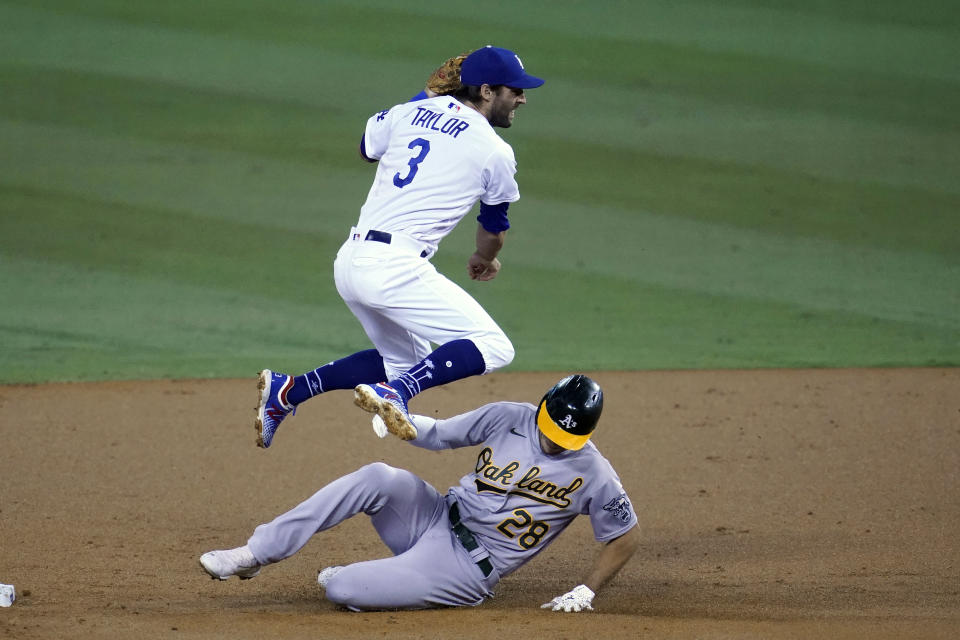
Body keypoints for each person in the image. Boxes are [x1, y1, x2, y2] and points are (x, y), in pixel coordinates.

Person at [255, 46, 545, 449]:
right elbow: (493, 227)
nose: (523, 98)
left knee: (405, 363)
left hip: (351, 261)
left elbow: (365, 148)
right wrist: (485, 258)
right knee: (494, 345)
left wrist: (423, 98)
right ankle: (398, 394)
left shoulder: (407, 111)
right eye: (515, 90)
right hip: (393, 267)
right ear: (485, 90)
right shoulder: (495, 151)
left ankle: (288, 392)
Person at [202, 375, 639, 612]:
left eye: (567, 440)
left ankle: (387, 577)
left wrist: (588, 590)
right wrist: (403, 421)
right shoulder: (511, 416)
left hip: (467, 567)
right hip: (433, 515)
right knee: (379, 476)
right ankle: (255, 554)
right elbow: (442, 434)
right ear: (542, 407)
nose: (555, 442)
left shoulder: (595, 473)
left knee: (342, 589)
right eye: (550, 431)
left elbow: (625, 535)